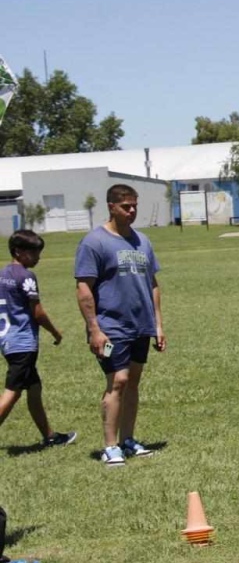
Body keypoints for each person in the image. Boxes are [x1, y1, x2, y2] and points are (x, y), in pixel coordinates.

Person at [75, 184, 165, 467]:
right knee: (118, 381)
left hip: (141, 324)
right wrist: (94, 328)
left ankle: (128, 440)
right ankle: (110, 446)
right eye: (126, 206)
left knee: (133, 382)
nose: (132, 211)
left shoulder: (143, 241)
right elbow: (84, 289)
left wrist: (158, 325)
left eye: (134, 205)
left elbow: (153, 285)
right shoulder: (94, 242)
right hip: (111, 326)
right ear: (111, 206)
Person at [0, 230, 75, 448]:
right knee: (12, 394)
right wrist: (55, 332)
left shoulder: (3, 274)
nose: (38, 258)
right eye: (34, 253)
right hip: (22, 343)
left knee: (34, 389)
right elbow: (38, 313)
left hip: (7, 340)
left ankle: (50, 436)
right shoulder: (26, 276)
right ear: (19, 252)